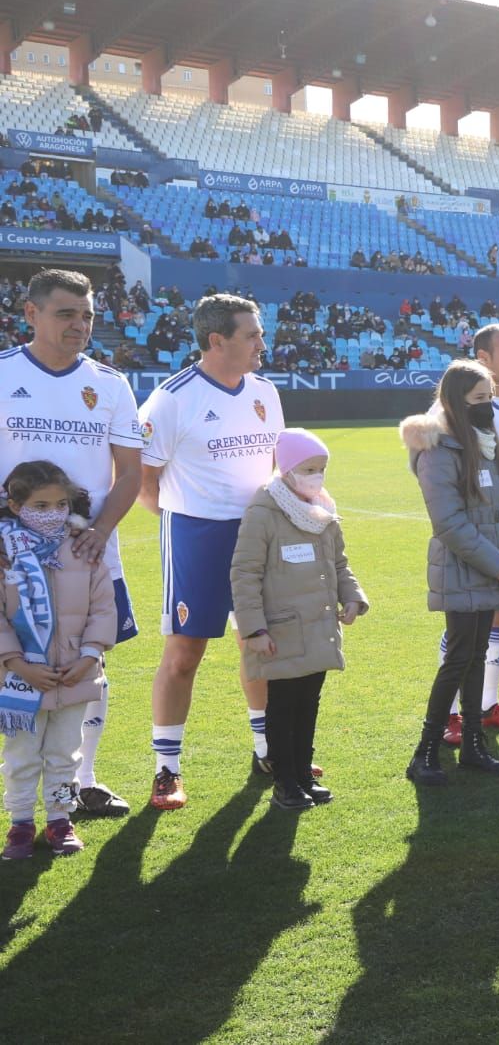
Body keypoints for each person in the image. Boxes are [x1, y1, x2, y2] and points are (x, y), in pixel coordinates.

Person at [1, 270, 141, 818]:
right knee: (13, 662)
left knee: (90, 668)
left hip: (87, 558)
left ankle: (81, 784)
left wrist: (100, 533)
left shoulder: (110, 383)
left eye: (86, 315)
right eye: (66, 314)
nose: (79, 325)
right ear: (31, 314)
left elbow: (130, 473)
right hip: (12, 559)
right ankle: (20, 801)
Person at [138, 295, 284, 810]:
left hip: (257, 535)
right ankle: (166, 770)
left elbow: (272, 466)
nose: (262, 343)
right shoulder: (172, 398)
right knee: (184, 654)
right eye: (252, 335)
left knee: (260, 643)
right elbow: (144, 479)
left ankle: (269, 751)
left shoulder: (265, 391)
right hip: (196, 535)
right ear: (216, 340)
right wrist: (184, 521)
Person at [399, 361, 499, 785]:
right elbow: (450, 524)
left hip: (493, 572)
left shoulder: (488, 444)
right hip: (462, 570)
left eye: (489, 399)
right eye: (478, 400)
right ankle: (425, 753)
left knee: (476, 658)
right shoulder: (437, 451)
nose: (487, 407)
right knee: (458, 659)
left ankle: (473, 744)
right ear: (455, 402)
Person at [230, 430, 367, 811]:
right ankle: (284, 782)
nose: (317, 476)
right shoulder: (263, 512)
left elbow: (339, 563)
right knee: (283, 704)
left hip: (319, 626)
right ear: (287, 470)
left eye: (321, 469)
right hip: (282, 629)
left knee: (309, 701)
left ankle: (304, 774)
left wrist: (353, 597)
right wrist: (254, 628)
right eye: (309, 468)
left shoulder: (324, 510)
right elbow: (244, 573)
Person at [0, 462, 116, 860]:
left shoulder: (83, 549)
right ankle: (19, 824)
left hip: (75, 675)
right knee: (21, 757)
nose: (52, 513)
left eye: (60, 504)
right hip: (20, 679)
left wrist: (89, 656)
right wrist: (16, 662)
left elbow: (103, 608)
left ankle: (60, 819)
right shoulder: (5, 553)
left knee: (66, 755)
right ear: (15, 506)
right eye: (41, 505)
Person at [437, 326, 499, 746]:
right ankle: (451, 713)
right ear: (483, 357)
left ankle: (486, 703)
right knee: (464, 626)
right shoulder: (451, 415)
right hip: (469, 535)